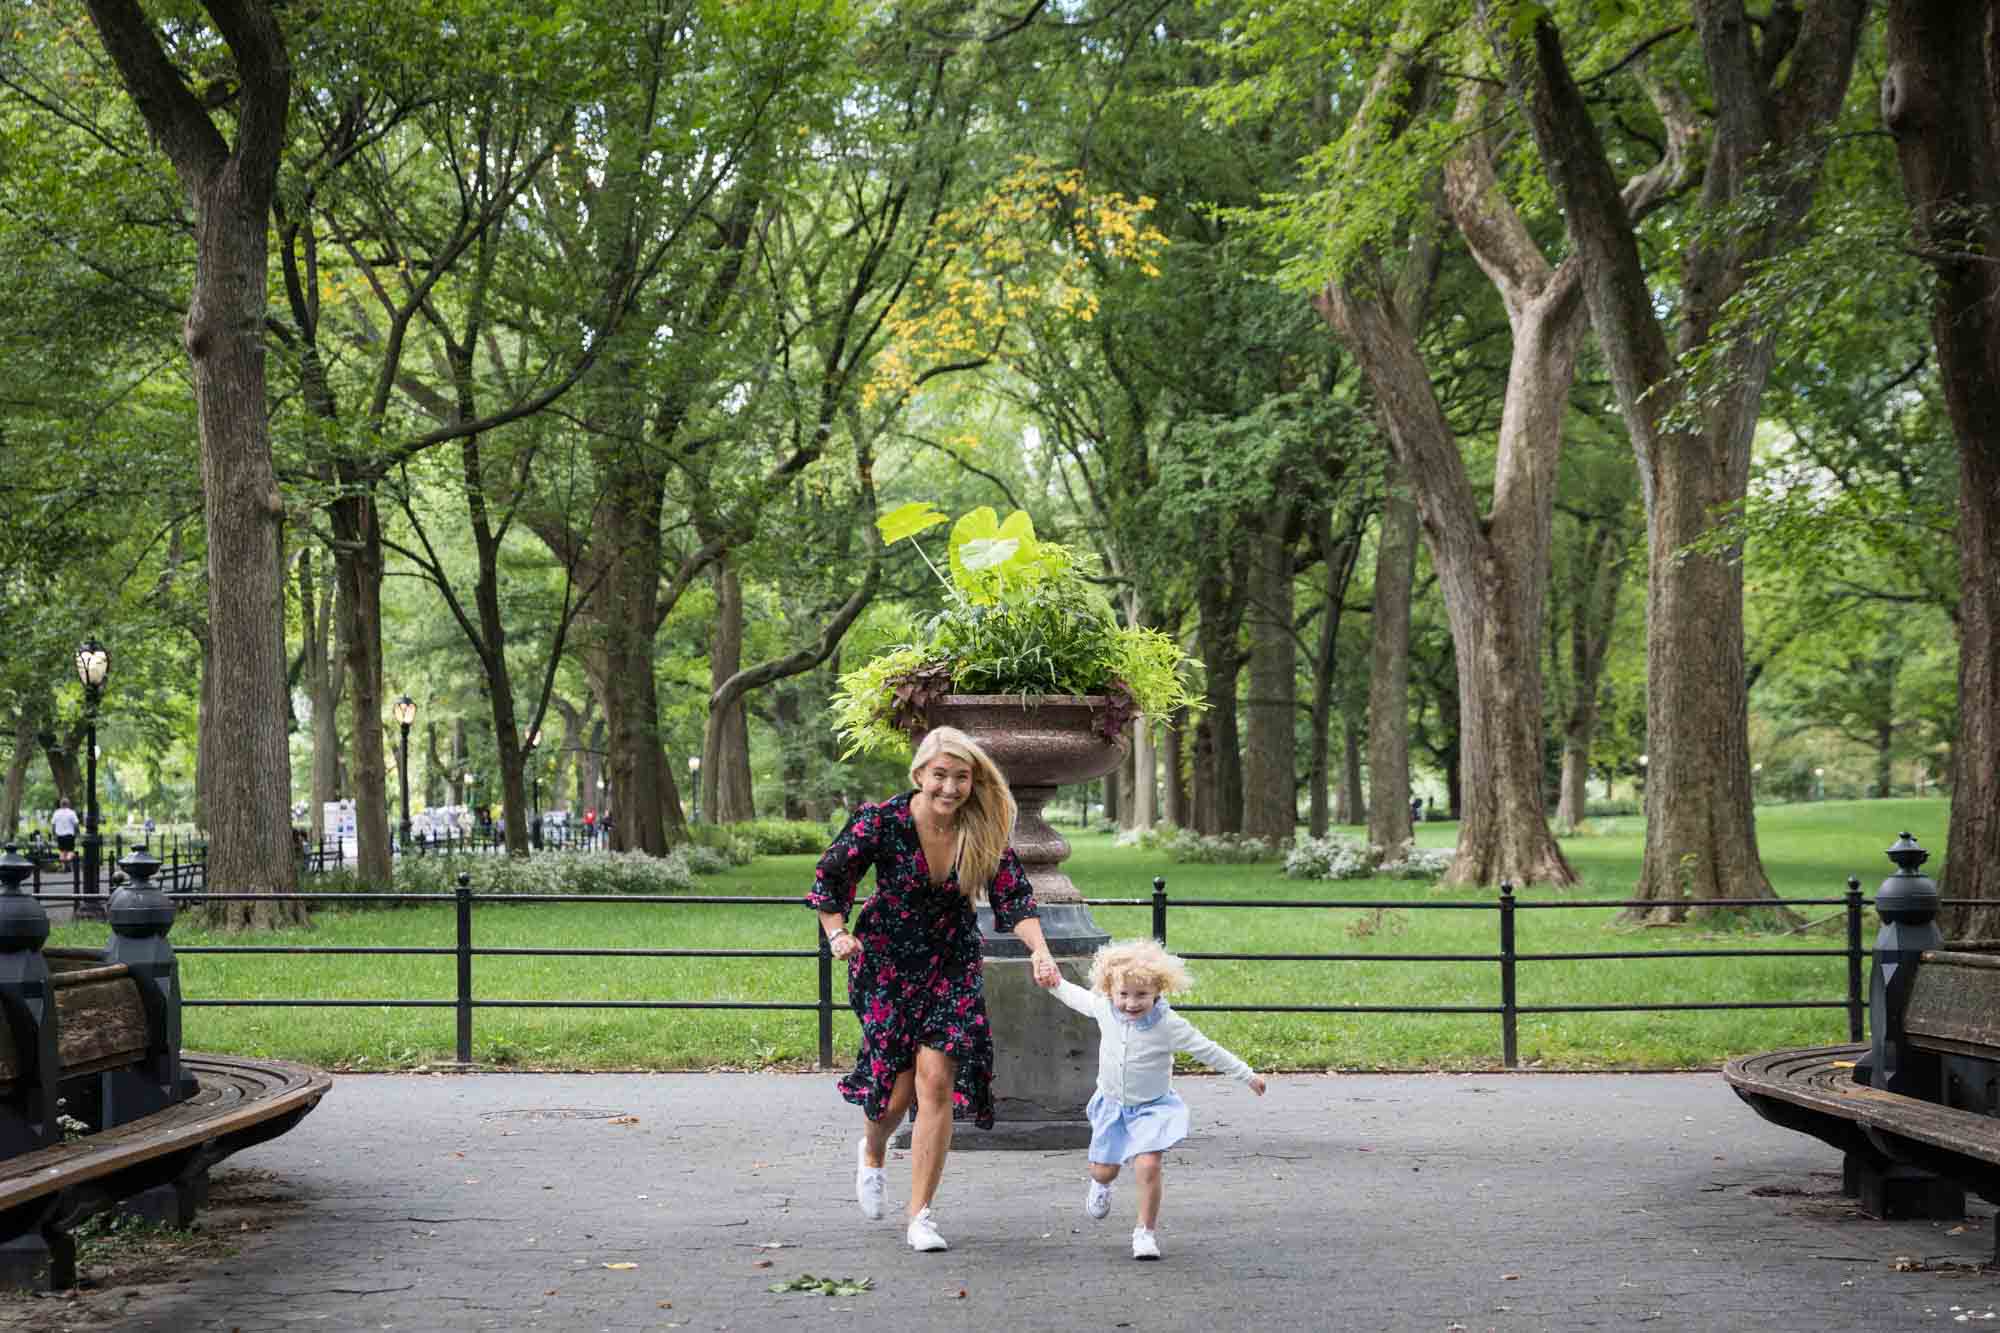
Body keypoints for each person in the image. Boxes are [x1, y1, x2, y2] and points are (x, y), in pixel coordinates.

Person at [807, 725, 1061, 1253]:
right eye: (940, 775)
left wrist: (1040, 949)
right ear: (920, 774)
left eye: (961, 777)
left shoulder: (983, 828)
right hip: (886, 963)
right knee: (894, 1092)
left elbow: (1014, 898)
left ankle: (920, 1213)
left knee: (937, 1080)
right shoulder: (880, 822)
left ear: (973, 781)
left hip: (952, 961)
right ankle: (873, 1152)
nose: (949, 787)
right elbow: (830, 882)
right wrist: (838, 935)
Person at [1036, 937, 1267, 1260]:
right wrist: (1053, 983)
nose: (1131, 1003)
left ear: (1158, 991)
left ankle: (1144, 1233)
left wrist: (1247, 1075)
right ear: (1109, 990)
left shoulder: (1169, 1025)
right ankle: (1101, 1185)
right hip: (1113, 1104)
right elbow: (1075, 997)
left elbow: (1208, 1050)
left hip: (1153, 1107)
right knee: (1103, 1171)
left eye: (1141, 995)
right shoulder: (1104, 1009)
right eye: (1124, 995)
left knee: (1149, 1163)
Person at [51, 797, 80, 866]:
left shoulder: (56, 813)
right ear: (68, 804)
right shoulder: (72, 812)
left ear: (61, 804)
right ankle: (67, 863)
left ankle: (63, 866)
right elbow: (76, 824)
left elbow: (53, 825)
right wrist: (77, 833)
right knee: (70, 851)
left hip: (60, 835)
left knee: (62, 852)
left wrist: (54, 834)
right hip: (69, 835)